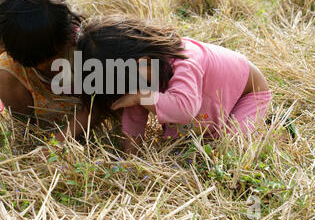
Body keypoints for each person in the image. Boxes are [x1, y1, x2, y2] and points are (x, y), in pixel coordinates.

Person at [76, 16, 271, 155]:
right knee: (183, 147)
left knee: (229, 148)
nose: (133, 94)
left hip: (247, 95)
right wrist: (132, 156)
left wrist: (141, 96)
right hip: (208, 99)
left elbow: (184, 109)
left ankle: (272, 134)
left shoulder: (187, 60)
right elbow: (134, 118)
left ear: (140, 62)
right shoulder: (142, 72)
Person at [0, 0, 88, 137]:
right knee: (2, 64)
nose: (41, 67)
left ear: (66, 36)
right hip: (36, 110)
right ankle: (28, 130)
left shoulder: (82, 48)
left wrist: (61, 140)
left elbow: (95, 108)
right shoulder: (15, 40)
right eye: (33, 63)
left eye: (49, 60)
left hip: (76, 115)